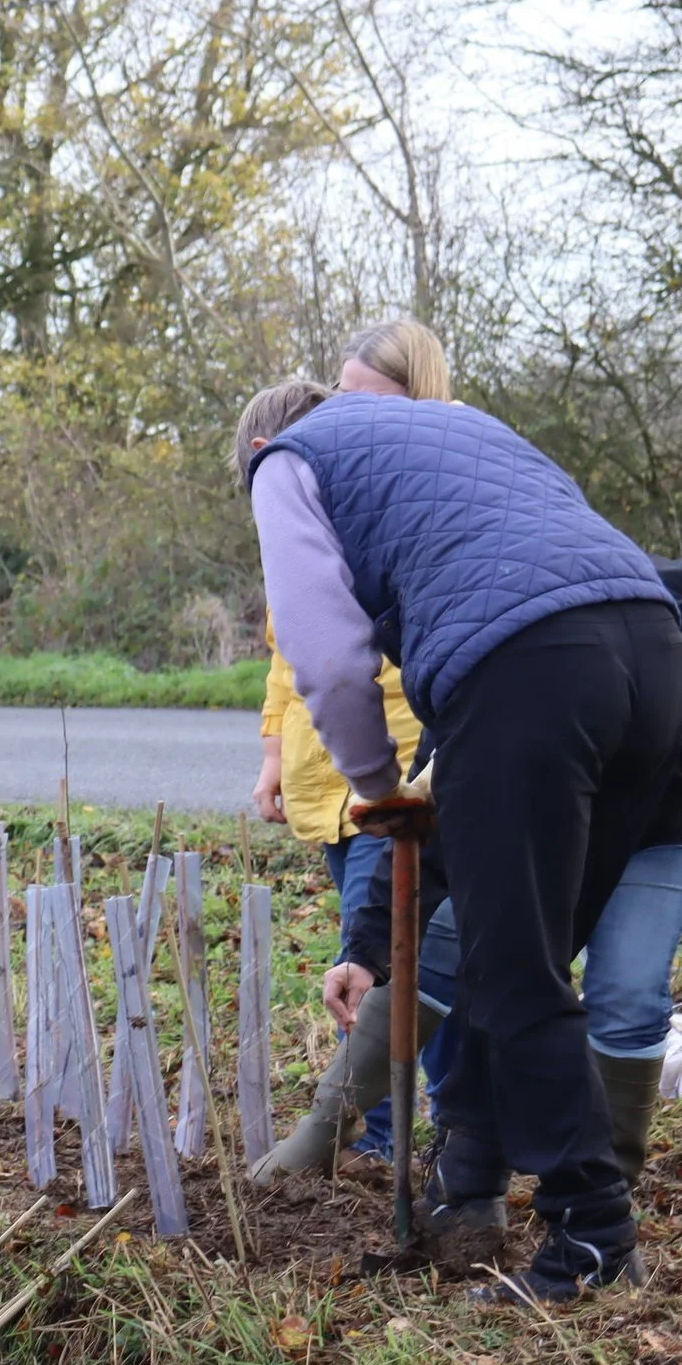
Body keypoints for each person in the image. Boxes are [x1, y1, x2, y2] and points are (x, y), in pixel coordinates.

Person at [244, 371, 682, 1302]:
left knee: (512, 966)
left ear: (255, 453)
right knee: (525, 950)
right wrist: (380, 915)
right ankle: (469, 1181)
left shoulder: (284, 462)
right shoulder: (460, 430)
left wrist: (376, 790)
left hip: (528, 665)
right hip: (648, 645)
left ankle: (592, 1240)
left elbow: (324, 657)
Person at [276, 555, 682, 1196]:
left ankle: (603, 1195)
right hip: (540, 831)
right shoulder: (468, 669)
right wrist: (368, 951)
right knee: (441, 945)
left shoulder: (642, 589)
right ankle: (326, 1128)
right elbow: (426, 827)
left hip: (655, 829)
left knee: (626, 995)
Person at [248, 320, 461, 1176]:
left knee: (393, 960)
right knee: (369, 947)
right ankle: (384, 1130)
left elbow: (364, 661)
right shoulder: (302, 534)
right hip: (326, 788)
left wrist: (388, 780)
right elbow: (288, 660)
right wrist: (271, 759)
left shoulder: (402, 511)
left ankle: (412, 1128)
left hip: (398, 777)